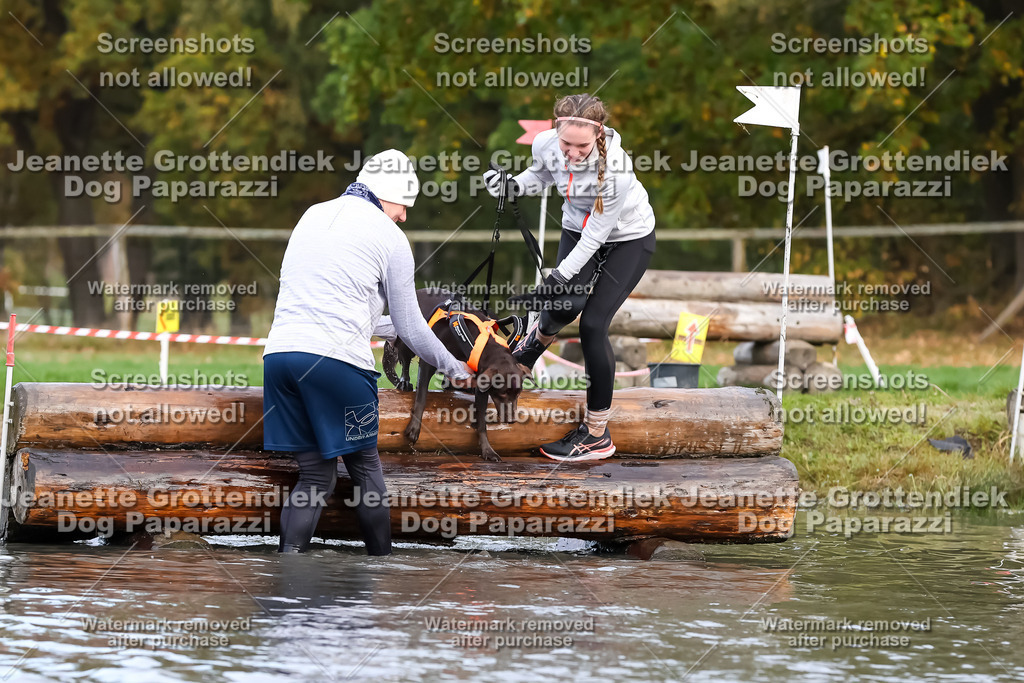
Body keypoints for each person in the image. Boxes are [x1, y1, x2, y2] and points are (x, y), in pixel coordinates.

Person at [263, 149, 474, 554]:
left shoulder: (313, 214)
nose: (405, 216)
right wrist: (455, 367)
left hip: (280, 358)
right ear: (388, 195)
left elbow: (347, 311)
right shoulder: (390, 237)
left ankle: (287, 568)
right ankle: (382, 563)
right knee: (364, 467)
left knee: (315, 477)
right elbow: (411, 325)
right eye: (404, 206)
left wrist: (403, 329)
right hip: (337, 366)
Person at [484, 93, 656, 462]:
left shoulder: (616, 172)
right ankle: (527, 355)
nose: (572, 153)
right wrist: (513, 186)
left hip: (627, 239)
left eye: (581, 146)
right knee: (564, 307)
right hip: (577, 229)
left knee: (593, 324)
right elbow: (542, 174)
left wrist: (558, 276)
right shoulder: (547, 143)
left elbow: (598, 234)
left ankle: (596, 435)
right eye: (566, 143)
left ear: (597, 136)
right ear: (556, 129)